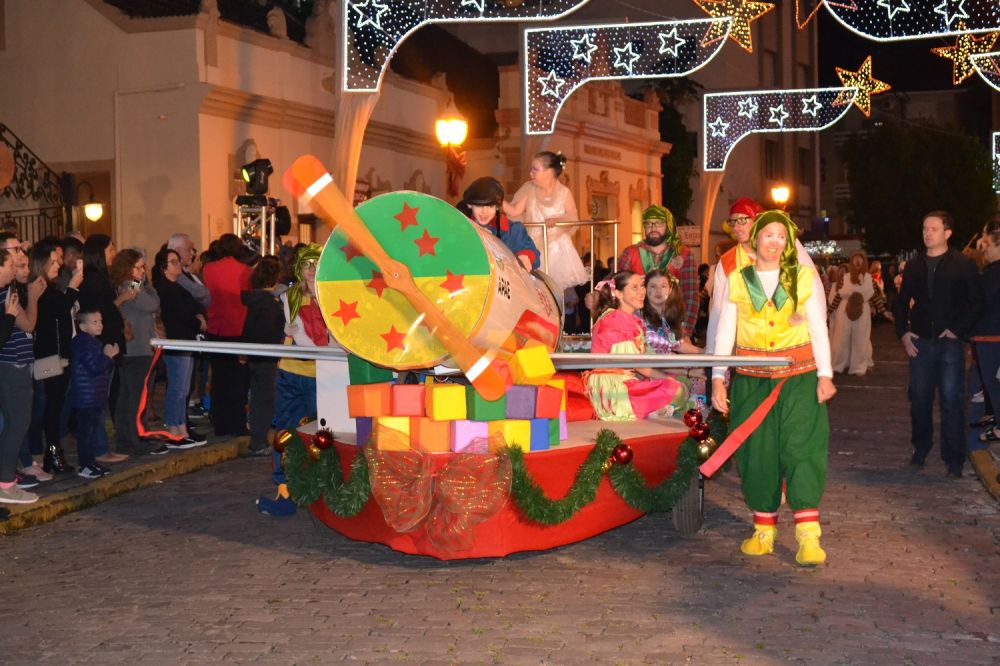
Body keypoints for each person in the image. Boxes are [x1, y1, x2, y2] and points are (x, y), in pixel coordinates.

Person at [711, 210, 836, 566]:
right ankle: (763, 529)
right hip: (750, 378)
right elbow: (725, 332)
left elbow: (817, 328)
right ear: (756, 239)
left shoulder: (804, 278)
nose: (775, 242)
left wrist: (825, 374)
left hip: (799, 377)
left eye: (782, 236)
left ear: (789, 241)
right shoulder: (738, 279)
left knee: (802, 449)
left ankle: (808, 534)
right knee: (756, 453)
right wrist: (718, 376)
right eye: (769, 235)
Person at [894, 211, 982, 478]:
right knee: (919, 400)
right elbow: (901, 302)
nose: (927, 233)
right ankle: (920, 449)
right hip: (920, 343)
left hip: (949, 345)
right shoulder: (914, 266)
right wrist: (903, 333)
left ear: (947, 233)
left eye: (933, 228)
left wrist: (958, 330)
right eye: (924, 228)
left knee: (951, 401)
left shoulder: (962, 264)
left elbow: (976, 302)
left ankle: (954, 459)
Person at [584, 271, 685, 422]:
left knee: (677, 382)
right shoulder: (618, 318)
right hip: (615, 391)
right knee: (678, 389)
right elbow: (637, 365)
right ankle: (653, 409)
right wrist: (670, 381)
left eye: (642, 286)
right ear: (618, 293)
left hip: (619, 382)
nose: (642, 292)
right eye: (635, 288)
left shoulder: (623, 317)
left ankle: (656, 408)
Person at [77, 234, 132, 463]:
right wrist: (121, 301)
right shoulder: (93, 280)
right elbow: (99, 311)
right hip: (102, 346)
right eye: (110, 248)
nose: (113, 252)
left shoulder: (102, 278)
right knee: (99, 398)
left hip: (110, 341)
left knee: (106, 395)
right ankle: (100, 449)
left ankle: (101, 447)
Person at [29, 241, 81, 475]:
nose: (58, 265)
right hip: (47, 358)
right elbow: (58, 310)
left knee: (56, 404)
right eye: (53, 261)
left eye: (58, 261)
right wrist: (73, 287)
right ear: (41, 264)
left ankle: (53, 450)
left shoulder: (51, 286)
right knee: (50, 405)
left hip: (58, 354)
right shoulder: (39, 288)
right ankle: (50, 451)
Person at [505, 151, 587, 290]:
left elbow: (572, 218)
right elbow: (514, 211)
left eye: (535, 169)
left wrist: (558, 220)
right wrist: (498, 200)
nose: (531, 173)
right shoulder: (529, 188)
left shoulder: (564, 193)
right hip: (533, 245)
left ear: (549, 171)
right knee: (535, 288)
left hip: (557, 249)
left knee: (555, 290)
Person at [111, 249, 164, 455]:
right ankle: (136, 439)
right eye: (139, 267)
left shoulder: (129, 286)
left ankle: (129, 438)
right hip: (137, 350)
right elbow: (152, 303)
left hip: (136, 349)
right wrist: (147, 285)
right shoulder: (131, 286)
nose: (143, 271)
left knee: (129, 397)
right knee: (136, 398)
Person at [152, 248, 207, 447]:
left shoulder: (178, 286)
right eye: (173, 262)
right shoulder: (164, 288)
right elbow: (182, 313)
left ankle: (181, 427)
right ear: (163, 267)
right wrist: (197, 321)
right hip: (176, 342)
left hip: (186, 340)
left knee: (183, 389)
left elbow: (196, 304)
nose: (178, 265)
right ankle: (174, 428)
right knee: (177, 388)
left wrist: (199, 316)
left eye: (178, 261)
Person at [617, 205, 699, 337]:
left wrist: (685, 331)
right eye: (649, 224)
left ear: (668, 226)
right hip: (637, 327)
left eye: (659, 223)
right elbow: (617, 287)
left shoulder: (683, 254)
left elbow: (691, 296)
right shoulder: (630, 253)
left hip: (674, 326)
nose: (653, 228)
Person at [274, 244, 331, 431]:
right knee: (288, 428)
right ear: (300, 268)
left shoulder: (332, 296)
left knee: (322, 428)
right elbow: (298, 332)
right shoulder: (290, 296)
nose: (312, 270)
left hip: (325, 373)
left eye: (316, 264)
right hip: (293, 372)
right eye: (307, 265)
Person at [201, 234, 252, 437]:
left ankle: (219, 423)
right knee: (238, 380)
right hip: (238, 329)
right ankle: (237, 424)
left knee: (219, 379)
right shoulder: (245, 271)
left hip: (216, 328)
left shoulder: (208, 269)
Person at [0, 248, 39, 504]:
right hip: (12, 365)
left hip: (16, 364)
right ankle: (6, 483)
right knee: (18, 424)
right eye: (13, 265)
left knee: (15, 424)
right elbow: (28, 325)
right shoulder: (8, 293)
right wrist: (34, 297)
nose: (17, 270)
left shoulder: (10, 291)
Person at [241, 256, 285, 456]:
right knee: (264, 399)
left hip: (254, 355)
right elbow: (268, 329)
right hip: (266, 355)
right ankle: (258, 441)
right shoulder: (269, 303)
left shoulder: (254, 299)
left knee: (258, 397)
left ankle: (257, 438)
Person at [69, 308, 120, 479]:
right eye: (94, 322)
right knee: (86, 433)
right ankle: (85, 465)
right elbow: (94, 367)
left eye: (100, 321)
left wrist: (107, 358)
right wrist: (108, 357)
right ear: (82, 326)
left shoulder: (92, 342)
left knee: (90, 431)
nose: (100, 325)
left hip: (94, 396)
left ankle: (91, 462)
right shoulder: (83, 343)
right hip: (86, 397)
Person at [459, 177, 539, 270]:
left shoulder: (514, 230)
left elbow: (535, 256)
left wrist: (525, 256)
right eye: (479, 205)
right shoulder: (463, 229)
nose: (484, 211)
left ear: (497, 206)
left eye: (490, 206)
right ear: (470, 204)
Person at [971, 217, 999, 443]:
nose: (983, 245)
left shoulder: (992, 273)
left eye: (987, 242)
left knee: (993, 383)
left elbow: (980, 300)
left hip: (991, 334)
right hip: (989, 333)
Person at [829, 252, 875, 376]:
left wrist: (883, 311)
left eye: (860, 260)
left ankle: (858, 367)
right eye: (855, 260)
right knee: (841, 338)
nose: (858, 263)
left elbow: (875, 297)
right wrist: (830, 310)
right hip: (844, 309)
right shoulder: (846, 277)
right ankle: (839, 364)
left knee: (860, 338)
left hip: (862, 309)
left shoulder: (869, 278)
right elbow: (838, 296)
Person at [640, 270, 701, 355]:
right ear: (645, 289)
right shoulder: (639, 316)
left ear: (670, 289)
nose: (658, 291)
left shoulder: (670, 315)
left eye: (663, 287)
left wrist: (704, 351)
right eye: (653, 287)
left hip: (669, 362)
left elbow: (677, 343)